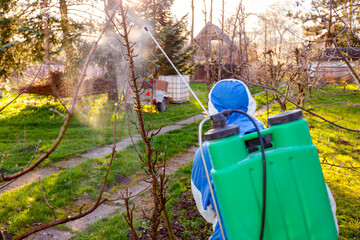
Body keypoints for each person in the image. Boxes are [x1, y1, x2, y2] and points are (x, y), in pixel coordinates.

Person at [191, 79, 339, 240]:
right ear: (250, 104)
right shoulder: (283, 141)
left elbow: (206, 210)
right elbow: (324, 199)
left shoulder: (206, 153)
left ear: (212, 109)